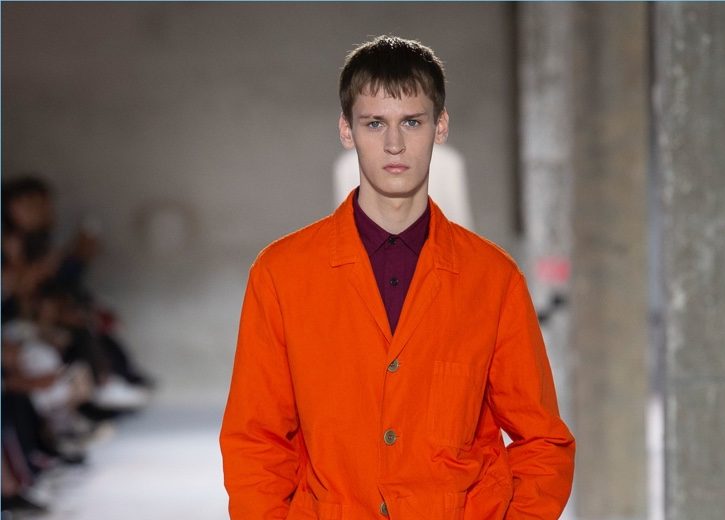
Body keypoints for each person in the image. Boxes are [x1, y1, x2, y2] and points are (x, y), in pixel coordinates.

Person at [220, 35, 575, 519]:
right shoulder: (281, 274)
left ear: (440, 126)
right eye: (374, 123)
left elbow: (542, 439)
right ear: (346, 131)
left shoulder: (492, 280)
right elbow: (255, 440)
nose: (394, 144)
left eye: (412, 121)